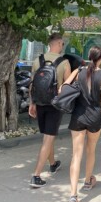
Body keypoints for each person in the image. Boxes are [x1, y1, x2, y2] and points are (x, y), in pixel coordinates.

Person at [67, 46, 101, 202]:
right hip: (95, 117)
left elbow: (64, 86)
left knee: (76, 155)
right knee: (90, 150)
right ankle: (87, 182)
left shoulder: (79, 72)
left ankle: (73, 195)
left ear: (89, 56)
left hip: (78, 116)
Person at [29, 33, 71, 188]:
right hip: (54, 105)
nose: (62, 46)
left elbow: (32, 85)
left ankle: (53, 164)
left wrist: (32, 103)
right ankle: (36, 176)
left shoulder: (37, 60)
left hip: (40, 103)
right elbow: (67, 86)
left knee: (48, 135)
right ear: (58, 43)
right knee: (48, 139)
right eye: (62, 44)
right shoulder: (64, 62)